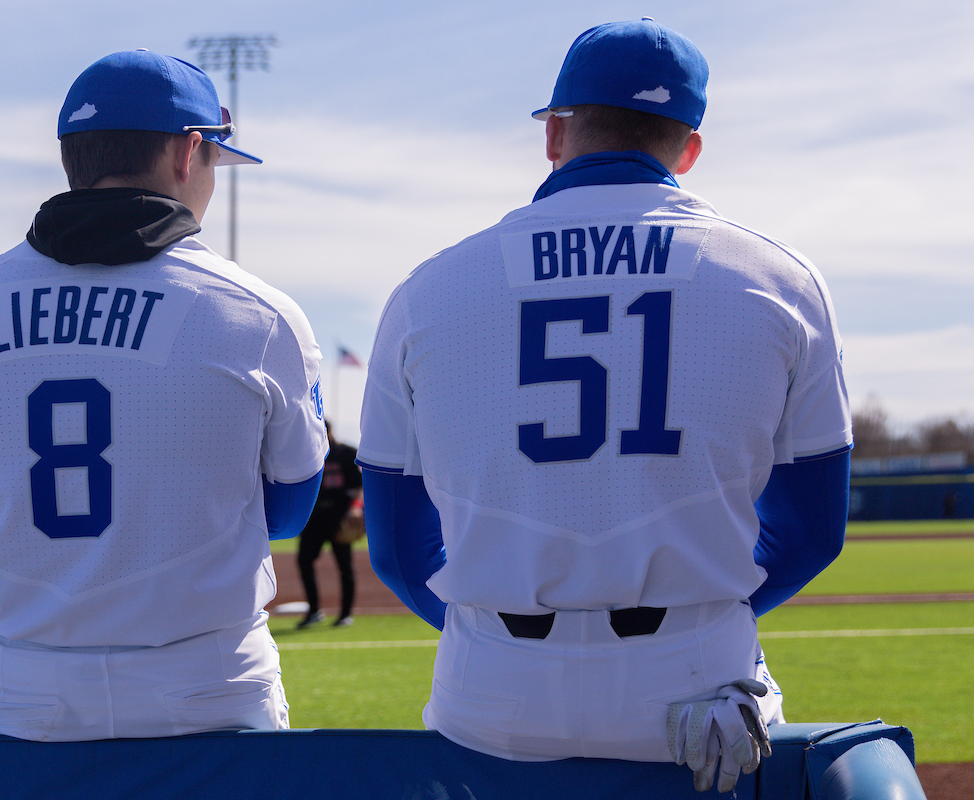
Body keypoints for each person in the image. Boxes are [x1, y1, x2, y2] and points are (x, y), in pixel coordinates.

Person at [356, 18, 850, 793]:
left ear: (555, 135)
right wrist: (704, 612)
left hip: (493, 683)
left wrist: (500, 633)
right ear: (688, 146)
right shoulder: (777, 277)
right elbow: (815, 530)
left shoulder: (429, 288)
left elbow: (394, 544)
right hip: (693, 674)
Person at [0, 50, 328, 742]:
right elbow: (288, 510)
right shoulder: (255, 312)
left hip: (28, 688)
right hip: (205, 682)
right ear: (187, 152)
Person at [295, 420, 363, 628]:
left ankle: (345, 613)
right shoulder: (307, 454)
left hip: (340, 516)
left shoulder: (347, 453)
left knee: (344, 565)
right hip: (315, 516)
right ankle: (314, 610)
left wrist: (356, 508)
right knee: (304, 560)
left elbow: (361, 484)